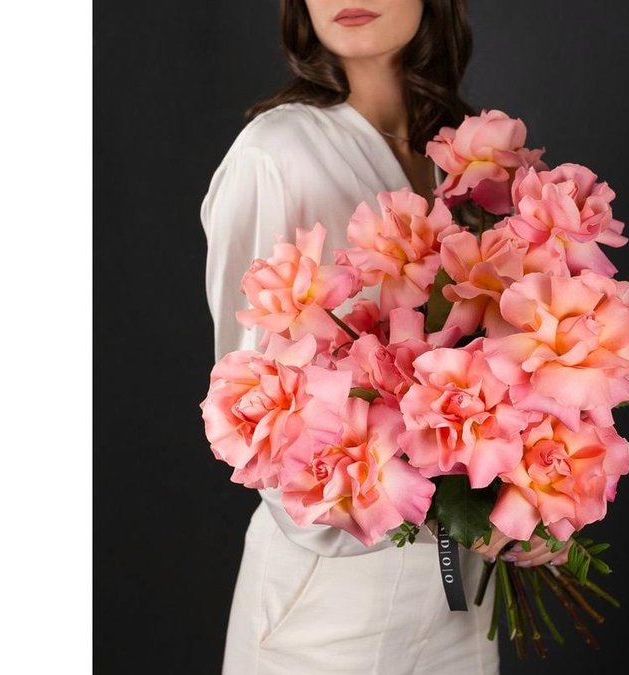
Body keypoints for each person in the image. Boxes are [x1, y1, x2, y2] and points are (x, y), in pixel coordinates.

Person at [200, 2, 568, 673]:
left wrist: (537, 499)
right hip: (328, 610)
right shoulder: (276, 154)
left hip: (460, 605)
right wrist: (440, 511)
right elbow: (247, 418)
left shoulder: (468, 160)